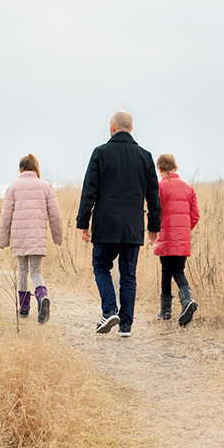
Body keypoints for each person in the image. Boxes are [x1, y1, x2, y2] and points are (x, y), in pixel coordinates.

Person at [75, 111, 161, 337]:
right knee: (128, 275)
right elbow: (153, 196)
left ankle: (109, 310)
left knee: (101, 266)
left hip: (105, 226)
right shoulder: (145, 156)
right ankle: (125, 325)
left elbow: (89, 191)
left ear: (112, 127)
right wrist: (154, 228)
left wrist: (83, 222)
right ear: (131, 129)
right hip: (133, 227)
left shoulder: (100, 153)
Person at [0, 153, 64, 324]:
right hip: (37, 237)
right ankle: (42, 297)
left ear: (20, 169)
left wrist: (3, 240)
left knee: (22, 270)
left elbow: (5, 217)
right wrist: (58, 237)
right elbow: (55, 215)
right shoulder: (45, 187)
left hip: (19, 237)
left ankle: (24, 308)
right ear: (36, 168)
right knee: (35, 271)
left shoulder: (12, 187)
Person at [152, 153, 199, 326]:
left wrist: (154, 230)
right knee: (178, 270)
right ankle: (187, 300)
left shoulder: (160, 187)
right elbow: (196, 215)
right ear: (176, 167)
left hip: (166, 237)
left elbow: (155, 212)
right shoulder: (189, 187)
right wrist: (184, 230)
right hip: (182, 237)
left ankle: (166, 311)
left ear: (160, 169)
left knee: (166, 270)